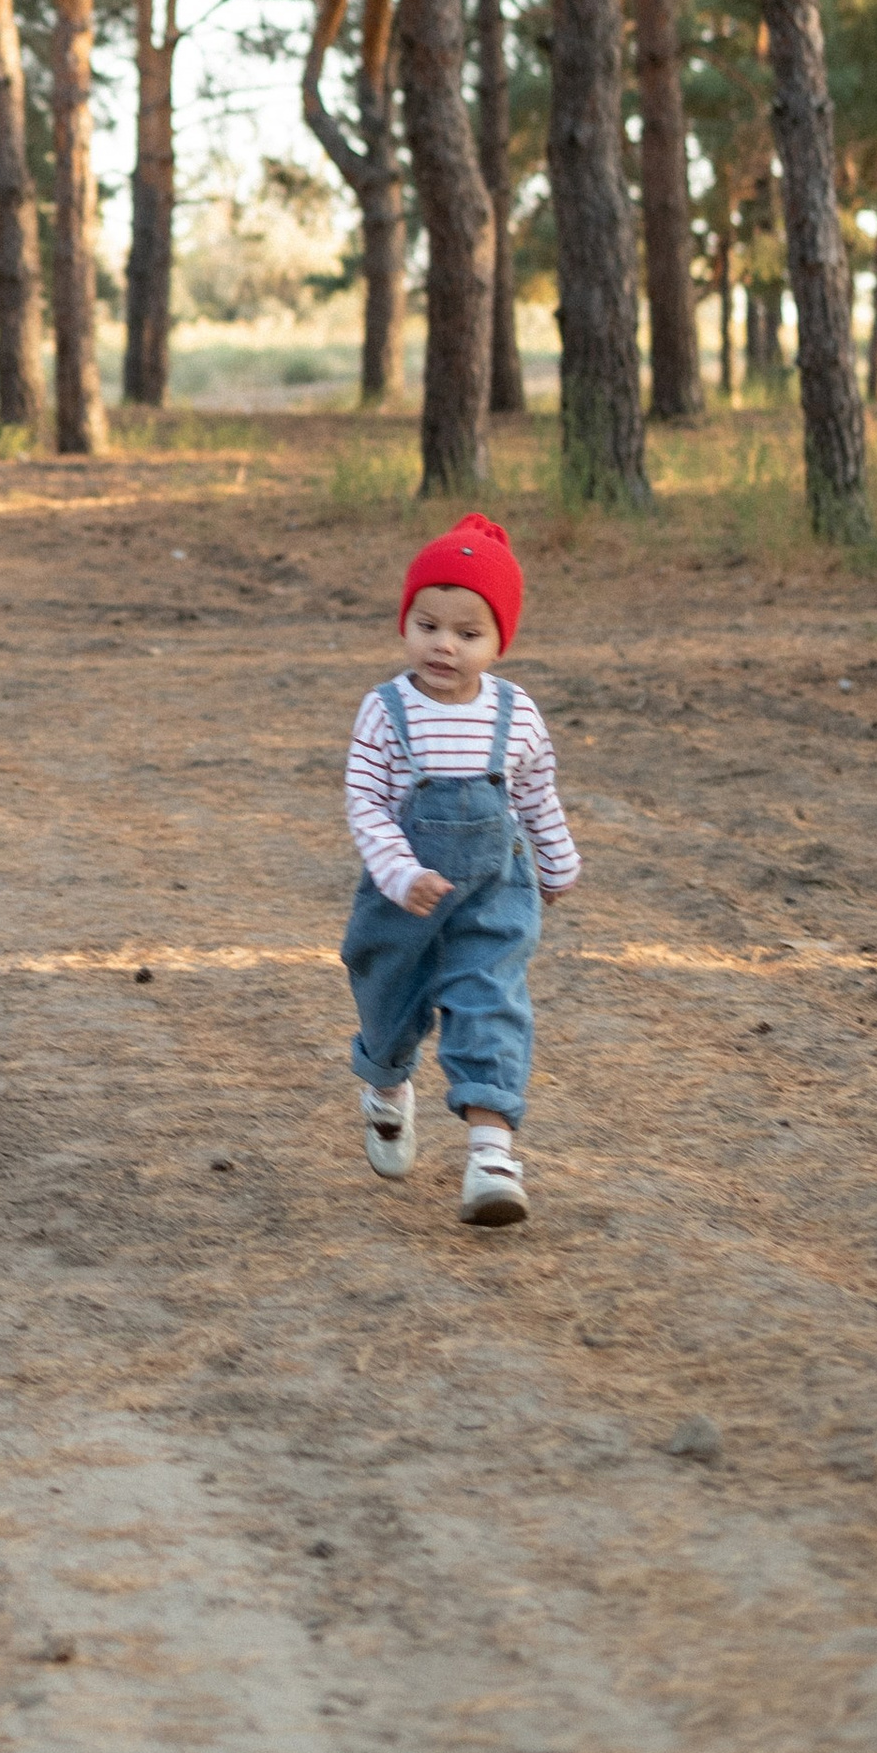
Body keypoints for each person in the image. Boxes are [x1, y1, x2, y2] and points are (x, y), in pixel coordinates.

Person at [342, 515, 579, 1229]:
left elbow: (536, 793)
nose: (444, 644)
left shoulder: (517, 713)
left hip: (493, 894)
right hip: (402, 900)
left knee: (490, 1001)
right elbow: (366, 802)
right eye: (427, 624)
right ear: (406, 622)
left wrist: (558, 859)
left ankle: (491, 1154)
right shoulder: (385, 712)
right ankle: (386, 1085)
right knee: (389, 1004)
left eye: (468, 632)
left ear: (501, 639)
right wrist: (399, 871)